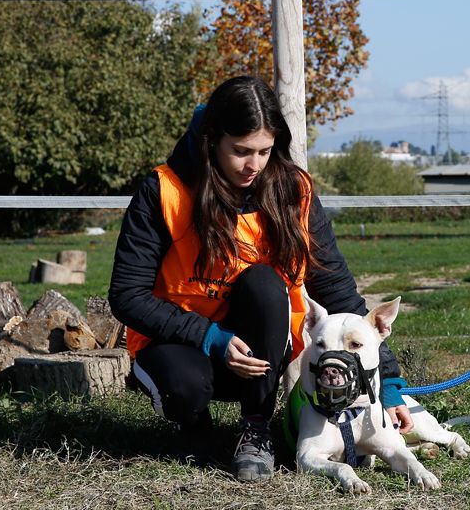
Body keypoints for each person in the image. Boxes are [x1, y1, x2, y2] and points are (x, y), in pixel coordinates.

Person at [109, 76, 413, 481]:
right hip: (180, 343)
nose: (253, 165)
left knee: (266, 284)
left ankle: (256, 428)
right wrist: (210, 336)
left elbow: (337, 290)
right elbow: (126, 295)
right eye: (240, 151)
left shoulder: (295, 192)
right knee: (185, 388)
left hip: (260, 356)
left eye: (264, 151)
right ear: (212, 141)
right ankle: (193, 422)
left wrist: (387, 382)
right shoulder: (162, 190)